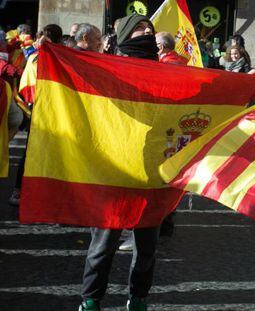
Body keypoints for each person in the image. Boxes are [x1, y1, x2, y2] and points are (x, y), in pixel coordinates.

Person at [79, 14, 160, 311]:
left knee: (147, 247)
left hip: (150, 172)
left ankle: (138, 298)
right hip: (111, 168)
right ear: (125, 34)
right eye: (140, 28)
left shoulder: (166, 72)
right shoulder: (107, 68)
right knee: (103, 244)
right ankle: (90, 299)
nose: (147, 32)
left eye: (149, 29)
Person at [8, 24, 63, 206]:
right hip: (49, 111)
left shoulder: (36, 55)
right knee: (44, 152)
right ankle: (31, 192)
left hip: (41, 110)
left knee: (34, 151)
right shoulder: (46, 56)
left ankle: (22, 191)